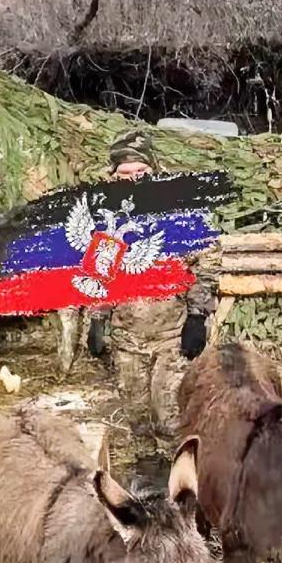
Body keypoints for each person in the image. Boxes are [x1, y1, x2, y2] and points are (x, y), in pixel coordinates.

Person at [89, 130, 217, 447]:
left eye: (140, 173)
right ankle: (146, 475)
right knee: (137, 416)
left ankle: (179, 478)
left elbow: (204, 265)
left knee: (170, 415)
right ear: (113, 176)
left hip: (171, 336)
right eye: (125, 174)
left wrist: (197, 317)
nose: (133, 180)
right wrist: (96, 321)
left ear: (153, 170)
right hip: (126, 338)